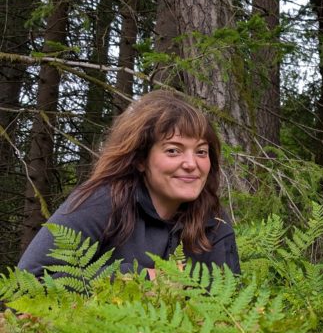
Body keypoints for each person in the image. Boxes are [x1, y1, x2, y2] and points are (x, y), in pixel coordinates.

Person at [18, 90, 240, 277]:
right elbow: (27, 284)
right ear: (141, 159)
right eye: (173, 150)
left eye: (201, 152)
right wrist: (136, 279)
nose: (192, 164)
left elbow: (228, 304)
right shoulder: (102, 201)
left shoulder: (214, 219)